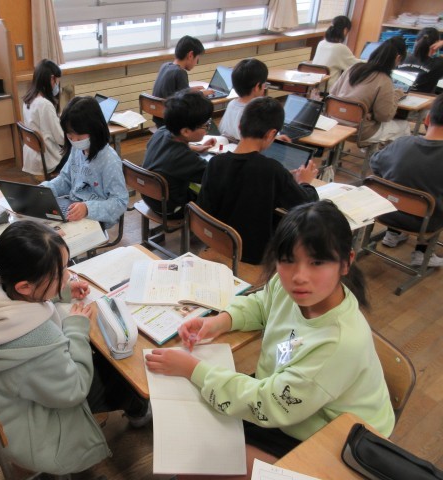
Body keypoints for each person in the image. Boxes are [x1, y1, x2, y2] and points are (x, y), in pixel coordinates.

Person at [145, 200, 395, 476]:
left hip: (335, 437)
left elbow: (269, 404)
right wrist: (220, 321)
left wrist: (193, 369)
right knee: (195, 437)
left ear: (346, 262)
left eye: (317, 262)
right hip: (290, 405)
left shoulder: (338, 342)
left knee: (198, 460)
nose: (299, 276)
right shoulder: (290, 288)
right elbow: (264, 304)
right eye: (288, 260)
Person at [0, 220, 150, 475]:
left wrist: (61, 290)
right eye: (60, 273)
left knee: (100, 359)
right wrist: (75, 328)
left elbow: (18, 304)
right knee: (119, 375)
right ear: (25, 286)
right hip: (34, 429)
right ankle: (139, 410)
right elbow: (74, 391)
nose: (68, 276)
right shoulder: (37, 338)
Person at [198, 96, 318, 264]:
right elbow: (306, 204)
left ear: (240, 127)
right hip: (253, 254)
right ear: (271, 134)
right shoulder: (272, 170)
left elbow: (205, 207)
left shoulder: (216, 163)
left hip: (217, 243)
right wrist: (304, 182)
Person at [370, 93, 443, 267]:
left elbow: (376, 165)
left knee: (400, 181)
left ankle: (392, 234)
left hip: (384, 211)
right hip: (425, 224)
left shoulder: (401, 143)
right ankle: (422, 252)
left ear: (427, 119)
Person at [41, 96, 128, 229]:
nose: (74, 141)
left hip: (95, 217)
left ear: (95, 129)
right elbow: (66, 179)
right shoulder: (77, 149)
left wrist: (87, 209)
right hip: (74, 207)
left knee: (54, 235)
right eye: (70, 136)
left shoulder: (109, 160)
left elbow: (120, 202)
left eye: (79, 136)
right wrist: (46, 190)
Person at [141, 90, 214, 219]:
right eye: (205, 125)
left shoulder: (161, 132)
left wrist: (194, 148)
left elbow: (168, 151)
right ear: (185, 131)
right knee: (218, 193)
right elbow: (213, 175)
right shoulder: (185, 159)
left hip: (151, 197)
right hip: (172, 208)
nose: (207, 128)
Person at [330, 38, 411, 143]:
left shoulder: (353, 68)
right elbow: (384, 116)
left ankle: (372, 149)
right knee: (404, 126)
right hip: (359, 131)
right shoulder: (384, 79)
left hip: (335, 123)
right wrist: (396, 95)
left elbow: (332, 93)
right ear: (398, 57)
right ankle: (382, 153)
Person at [21, 59, 65, 175]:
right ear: (51, 78)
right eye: (57, 81)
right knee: (79, 151)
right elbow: (61, 138)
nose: (57, 84)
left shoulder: (28, 100)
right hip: (48, 161)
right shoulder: (45, 104)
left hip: (33, 158)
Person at [152, 35, 205, 127]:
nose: (196, 63)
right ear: (190, 55)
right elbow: (187, 101)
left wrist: (190, 90)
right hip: (172, 121)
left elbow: (176, 92)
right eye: (197, 59)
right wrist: (202, 94)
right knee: (203, 118)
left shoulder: (165, 66)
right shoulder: (180, 72)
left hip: (159, 119)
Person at [218, 58, 269, 141]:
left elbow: (222, 129)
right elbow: (261, 139)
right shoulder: (257, 111)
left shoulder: (232, 104)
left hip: (226, 145)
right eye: (265, 84)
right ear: (257, 87)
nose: (265, 87)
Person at [312, 16, 359, 90]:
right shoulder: (340, 48)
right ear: (345, 30)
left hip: (314, 87)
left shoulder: (321, 43)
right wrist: (371, 60)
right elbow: (357, 65)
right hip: (328, 89)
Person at [397, 27, 443, 94]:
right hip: (422, 99)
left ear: (416, 41)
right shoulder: (438, 64)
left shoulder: (401, 57)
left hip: (397, 96)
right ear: (436, 45)